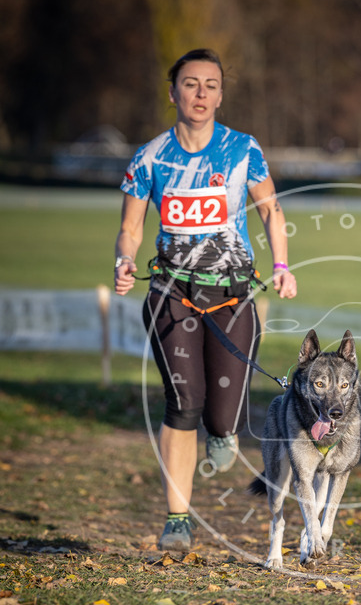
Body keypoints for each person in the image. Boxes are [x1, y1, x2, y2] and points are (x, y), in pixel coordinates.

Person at [113, 48, 297, 552]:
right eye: (190, 84)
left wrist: (281, 267)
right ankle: (177, 519)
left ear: (220, 94)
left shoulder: (242, 149)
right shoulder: (149, 157)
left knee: (222, 416)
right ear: (172, 92)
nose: (201, 93)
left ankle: (223, 434)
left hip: (233, 295)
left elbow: (271, 210)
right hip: (172, 293)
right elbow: (130, 229)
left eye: (211, 85)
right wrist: (123, 261)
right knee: (183, 401)